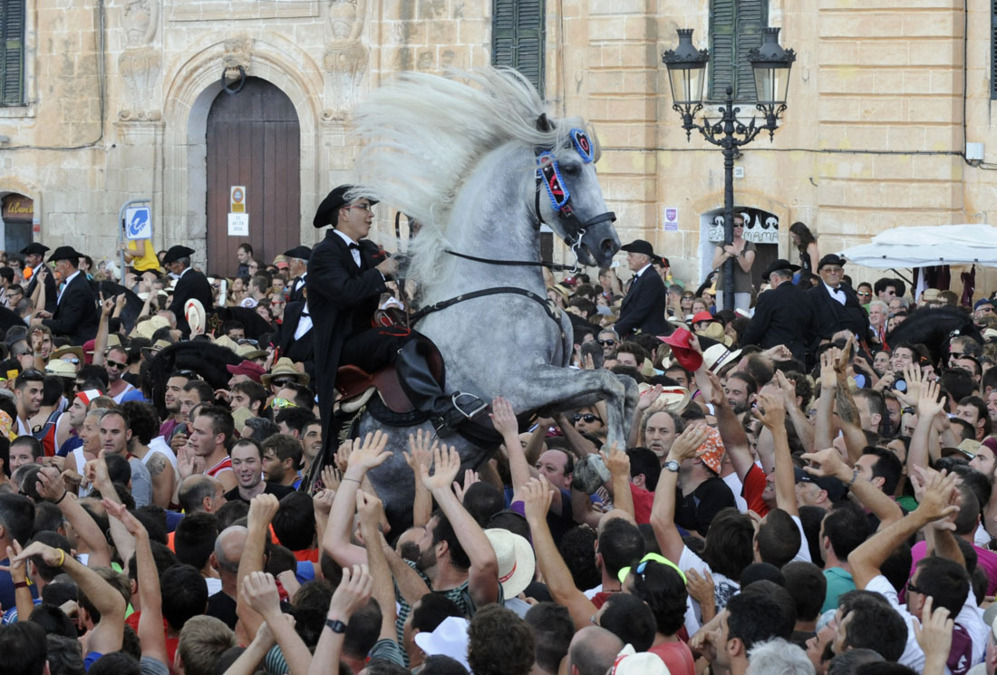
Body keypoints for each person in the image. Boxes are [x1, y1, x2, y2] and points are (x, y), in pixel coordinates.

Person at [307, 184, 486, 452]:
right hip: (340, 346)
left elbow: (400, 262)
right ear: (344, 213)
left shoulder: (365, 249)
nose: (370, 215)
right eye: (364, 207)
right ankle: (438, 408)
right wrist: (380, 272)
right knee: (400, 338)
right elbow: (345, 292)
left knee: (418, 333)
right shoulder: (323, 254)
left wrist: (425, 237)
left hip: (366, 337)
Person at [741, 258, 809, 362]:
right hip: (799, 355)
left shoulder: (769, 297)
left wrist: (743, 348)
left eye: (770, 281)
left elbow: (757, 327)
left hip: (775, 354)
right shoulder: (805, 296)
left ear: (775, 278)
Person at [34, 246, 99, 345]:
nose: (55, 268)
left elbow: (67, 325)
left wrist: (41, 323)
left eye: (57, 264)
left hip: (79, 342)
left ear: (67, 264)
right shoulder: (73, 283)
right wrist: (52, 316)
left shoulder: (77, 288)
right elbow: (71, 314)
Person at [805, 254, 868, 354]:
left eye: (837, 269)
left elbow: (860, 311)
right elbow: (805, 324)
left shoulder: (848, 289)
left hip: (857, 347)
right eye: (828, 270)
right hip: (830, 350)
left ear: (842, 273)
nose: (833, 273)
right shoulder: (811, 295)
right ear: (821, 273)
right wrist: (819, 341)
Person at [614, 239, 668, 338]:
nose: (627, 259)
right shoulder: (643, 277)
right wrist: (616, 325)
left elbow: (641, 310)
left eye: (631, 256)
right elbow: (630, 307)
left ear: (643, 259)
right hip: (636, 332)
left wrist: (616, 330)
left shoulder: (651, 278)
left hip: (645, 335)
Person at [164, 245, 213, 336]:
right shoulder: (201, 276)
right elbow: (210, 301)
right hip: (202, 325)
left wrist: (164, 316)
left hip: (186, 328)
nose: (169, 267)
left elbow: (177, 307)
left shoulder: (184, 281)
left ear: (181, 265)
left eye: (170, 264)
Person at [712, 213, 756, 312]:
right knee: (722, 316)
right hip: (723, 287)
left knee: (740, 317)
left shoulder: (749, 245)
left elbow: (747, 267)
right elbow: (714, 265)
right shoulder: (722, 244)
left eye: (741, 225)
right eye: (735, 225)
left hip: (742, 287)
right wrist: (726, 255)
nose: (739, 227)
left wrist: (737, 253)